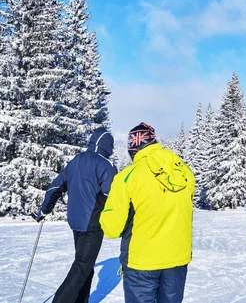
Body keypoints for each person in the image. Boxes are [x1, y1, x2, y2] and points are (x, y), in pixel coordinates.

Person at [100, 122, 195, 303]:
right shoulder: (184, 171)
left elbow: (112, 228)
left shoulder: (127, 177)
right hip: (177, 258)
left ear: (132, 148)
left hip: (141, 262)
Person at [36, 127, 117, 303]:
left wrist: (45, 209)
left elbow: (55, 187)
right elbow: (112, 196)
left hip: (75, 222)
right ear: (107, 145)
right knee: (82, 266)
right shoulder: (106, 165)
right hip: (93, 224)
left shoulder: (76, 161)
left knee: (85, 265)